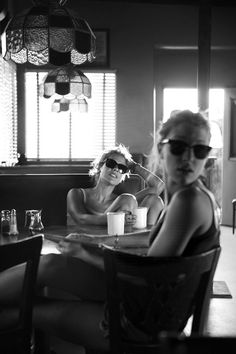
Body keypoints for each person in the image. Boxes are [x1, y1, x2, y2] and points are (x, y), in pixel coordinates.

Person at [0, 110, 221, 351]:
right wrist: (96, 240)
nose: (189, 158)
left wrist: (86, 254)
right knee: (50, 264)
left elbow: (149, 276)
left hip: (140, 322)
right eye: (178, 147)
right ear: (162, 148)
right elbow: (154, 236)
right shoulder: (191, 193)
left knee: (25, 308)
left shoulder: (187, 201)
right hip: (145, 302)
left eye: (200, 150)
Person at [67, 144, 164, 227]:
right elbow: (80, 219)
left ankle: (146, 240)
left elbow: (158, 186)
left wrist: (134, 166)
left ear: (123, 176)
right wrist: (117, 218)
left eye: (122, 168)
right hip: (91, 238)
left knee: (155, 200)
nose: (116, 169)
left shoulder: (122, 201)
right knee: (127, 199)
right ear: (100, 166)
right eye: (111, 163)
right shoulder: (77, 193)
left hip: (121, 238)